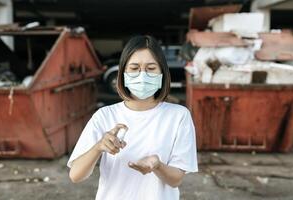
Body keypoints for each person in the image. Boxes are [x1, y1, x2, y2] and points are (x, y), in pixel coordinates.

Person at [67, 35, 198, 200]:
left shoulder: (179, 116)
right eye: (134, 68)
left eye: (151, 68)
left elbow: (176, 180)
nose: (142, 75)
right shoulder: (105, 115)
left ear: (162, 73)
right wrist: (98, 147)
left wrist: (157, 165)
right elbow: (76, 175)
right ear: (123, 73)